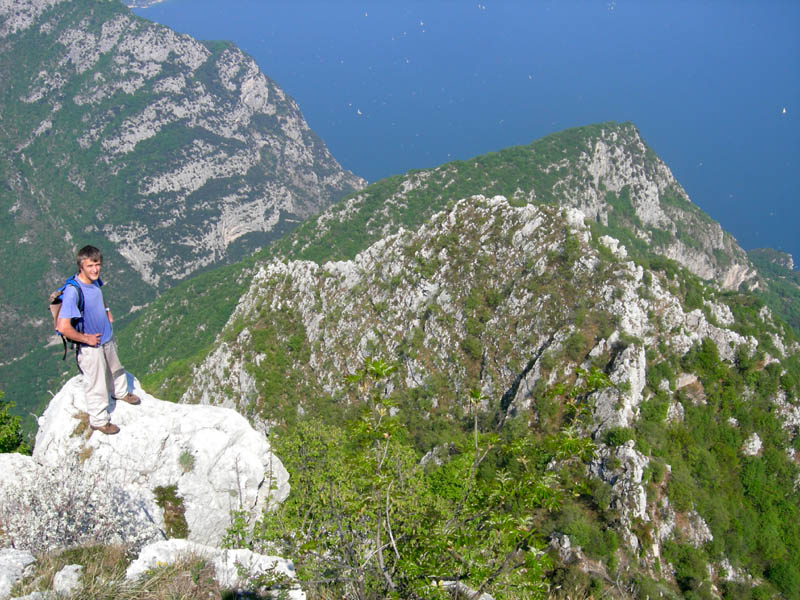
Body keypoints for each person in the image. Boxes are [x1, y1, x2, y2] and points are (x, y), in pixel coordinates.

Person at [56, 245, 140, 435]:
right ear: (81, 266)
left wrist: (107, 311)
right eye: (90, 266)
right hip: (90, 346)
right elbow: (63, 327)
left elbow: (99, 297)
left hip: (106, 337)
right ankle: (100, 420)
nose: (95, 269)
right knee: (97, 383)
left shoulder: (94, 282)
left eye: (98, 264)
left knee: (116, 368)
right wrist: (86, 338)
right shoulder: (73, 291)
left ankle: (120, 393)